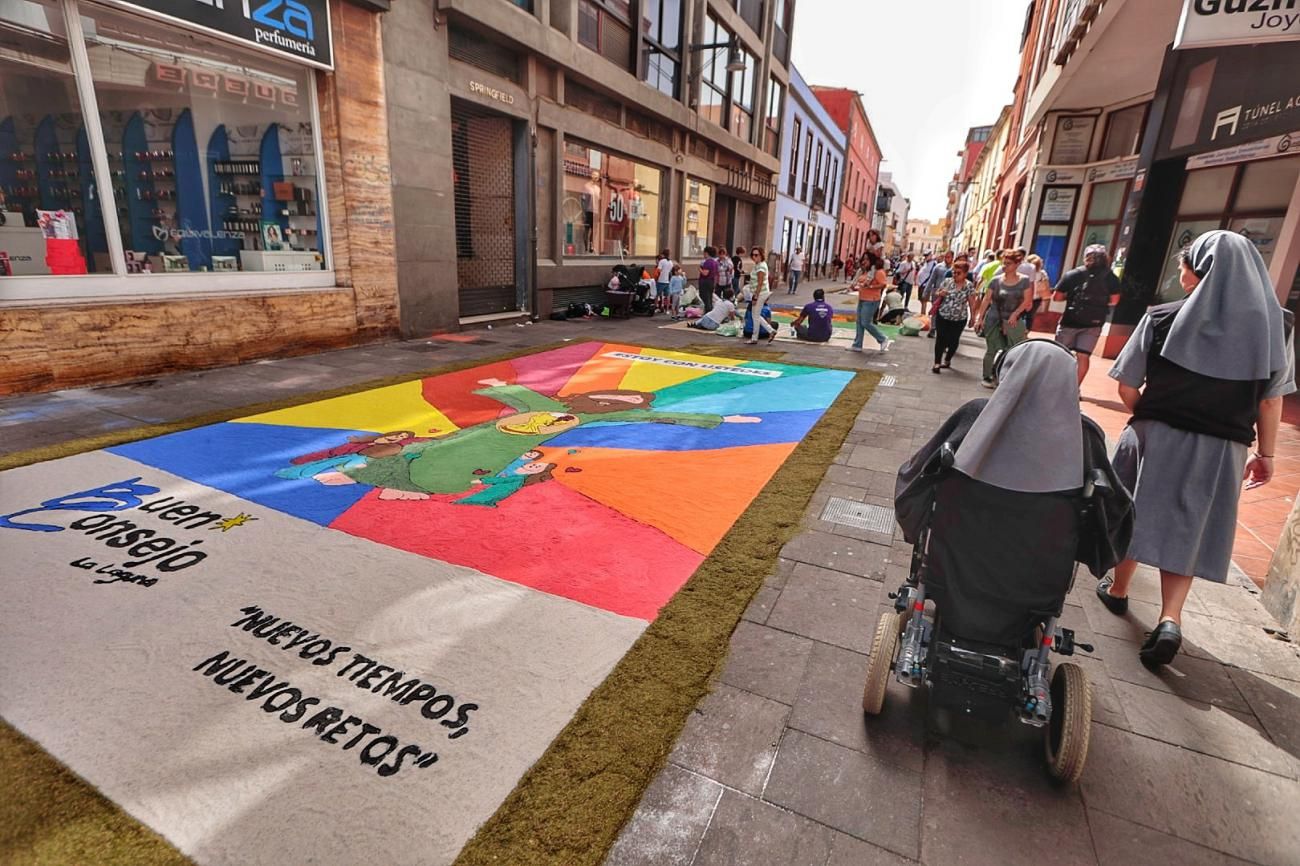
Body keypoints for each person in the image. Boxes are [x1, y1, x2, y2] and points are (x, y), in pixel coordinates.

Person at [1097, 231, 1295, 666]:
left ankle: (1118, 589)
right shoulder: (1277, 326)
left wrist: (1148, 412)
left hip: (1156, 435)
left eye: (1184, 266)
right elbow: (1270, 397)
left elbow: (1127, 384)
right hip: (1223, 448)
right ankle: (1170, 619)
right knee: (1188, 526)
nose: (1180, 275)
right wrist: (1267, 454)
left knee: (1137, 510)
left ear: (1201, 272)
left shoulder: (1162, 317)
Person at [1054, 244, 1122, 384]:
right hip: (1094, 323)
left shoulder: (1073, 274)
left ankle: (1056, 385)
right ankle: (1075, 388)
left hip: (1070, 321)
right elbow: (1115, 301)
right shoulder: (1111, 277)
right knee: (1083, 357)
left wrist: (1072, 297)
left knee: (1060, 354)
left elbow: (1057, 297)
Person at [973, 249, 1033, 388]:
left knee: (1012, 349)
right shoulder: (995, 281)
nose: (1004, 266)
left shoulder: (1024, 280)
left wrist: (1016, 313)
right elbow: (987, 299)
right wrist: (979, 318)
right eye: (1003, 263)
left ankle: (999, 372)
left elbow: (1027, 300)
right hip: (994, 318)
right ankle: (987, 376)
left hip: (1013, 320)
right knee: (991, 349)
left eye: (1008, 264)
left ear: (1017, 264)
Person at [931, 261, 978, 374]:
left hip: (959, 318)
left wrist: (973, 318)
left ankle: (947, 360)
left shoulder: (969, 286)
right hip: (943, 315)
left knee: (953, 340)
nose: (955, 275)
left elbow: (972, 303)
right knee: (940, 339)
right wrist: (940, 293)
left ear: (965, 274)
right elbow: (937, 292)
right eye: (954, 272)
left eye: (958, 273)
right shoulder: (947, 282)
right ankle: (936, 363)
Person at [847, 251, 892, 353]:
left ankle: (882, 338)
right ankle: (857, 344)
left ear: (871, 260)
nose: (864, 261)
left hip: (872, 300)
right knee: (859, 322)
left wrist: (871, 286)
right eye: (864, 259)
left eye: (867, 259)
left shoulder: (878, 272)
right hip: (862, 298)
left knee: (866, 322)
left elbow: (883, 284)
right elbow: (859, 281)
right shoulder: (863, 271)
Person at [747, 246, 775, 344]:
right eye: (753, 255)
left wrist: (755, 296)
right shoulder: (758, 265)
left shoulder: (761, 267)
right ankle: (770, 330)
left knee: (755, 315)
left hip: (760, 293)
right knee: (756, 315)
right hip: (760, 292)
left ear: (761, 255)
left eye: (756, 255)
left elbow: (760, 282)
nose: (754, 257)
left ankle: (755, 337)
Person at [1026, 253, 1052, 332]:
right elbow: (1047, 288)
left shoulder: (1027, 272)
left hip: (1025, 297)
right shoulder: (1043, 274)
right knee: (1030, 316)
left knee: (1022, 315)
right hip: (1036, 298)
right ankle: (1026, 331)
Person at [698, 246, 718, 314]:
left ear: (707, 253)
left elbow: (705, 273)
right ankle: (710, 312)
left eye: (704, 253)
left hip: (705, 282)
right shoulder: (715, 262)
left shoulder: (708, 262)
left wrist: (700, 269)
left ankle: (708, 313)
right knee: (709, 298)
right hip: (711, 281)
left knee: (706, 298)